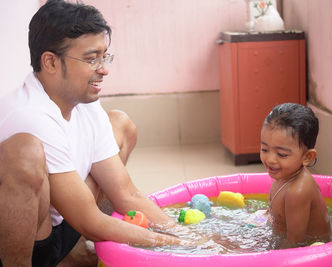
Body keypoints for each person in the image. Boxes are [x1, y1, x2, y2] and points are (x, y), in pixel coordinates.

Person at [0, 1, 194, 266]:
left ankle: (73, 254)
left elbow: (126, 194)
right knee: (27, 153)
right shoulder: (30, 114)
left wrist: (189, 237)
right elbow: (89, 220)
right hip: (28, 241)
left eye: (104, 57)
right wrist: (173, 245)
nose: (104, 69)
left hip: (64, 227)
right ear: (50, 62)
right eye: (92, 59)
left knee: (120, 125)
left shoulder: (82, 103)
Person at [260, 103, 331, 248]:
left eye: (282, 154)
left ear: (307, 157)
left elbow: (295, 243)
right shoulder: (284, 175)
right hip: (281, 237)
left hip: (312, 251)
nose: (270, 159)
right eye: (265, 149)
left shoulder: (297, 192)